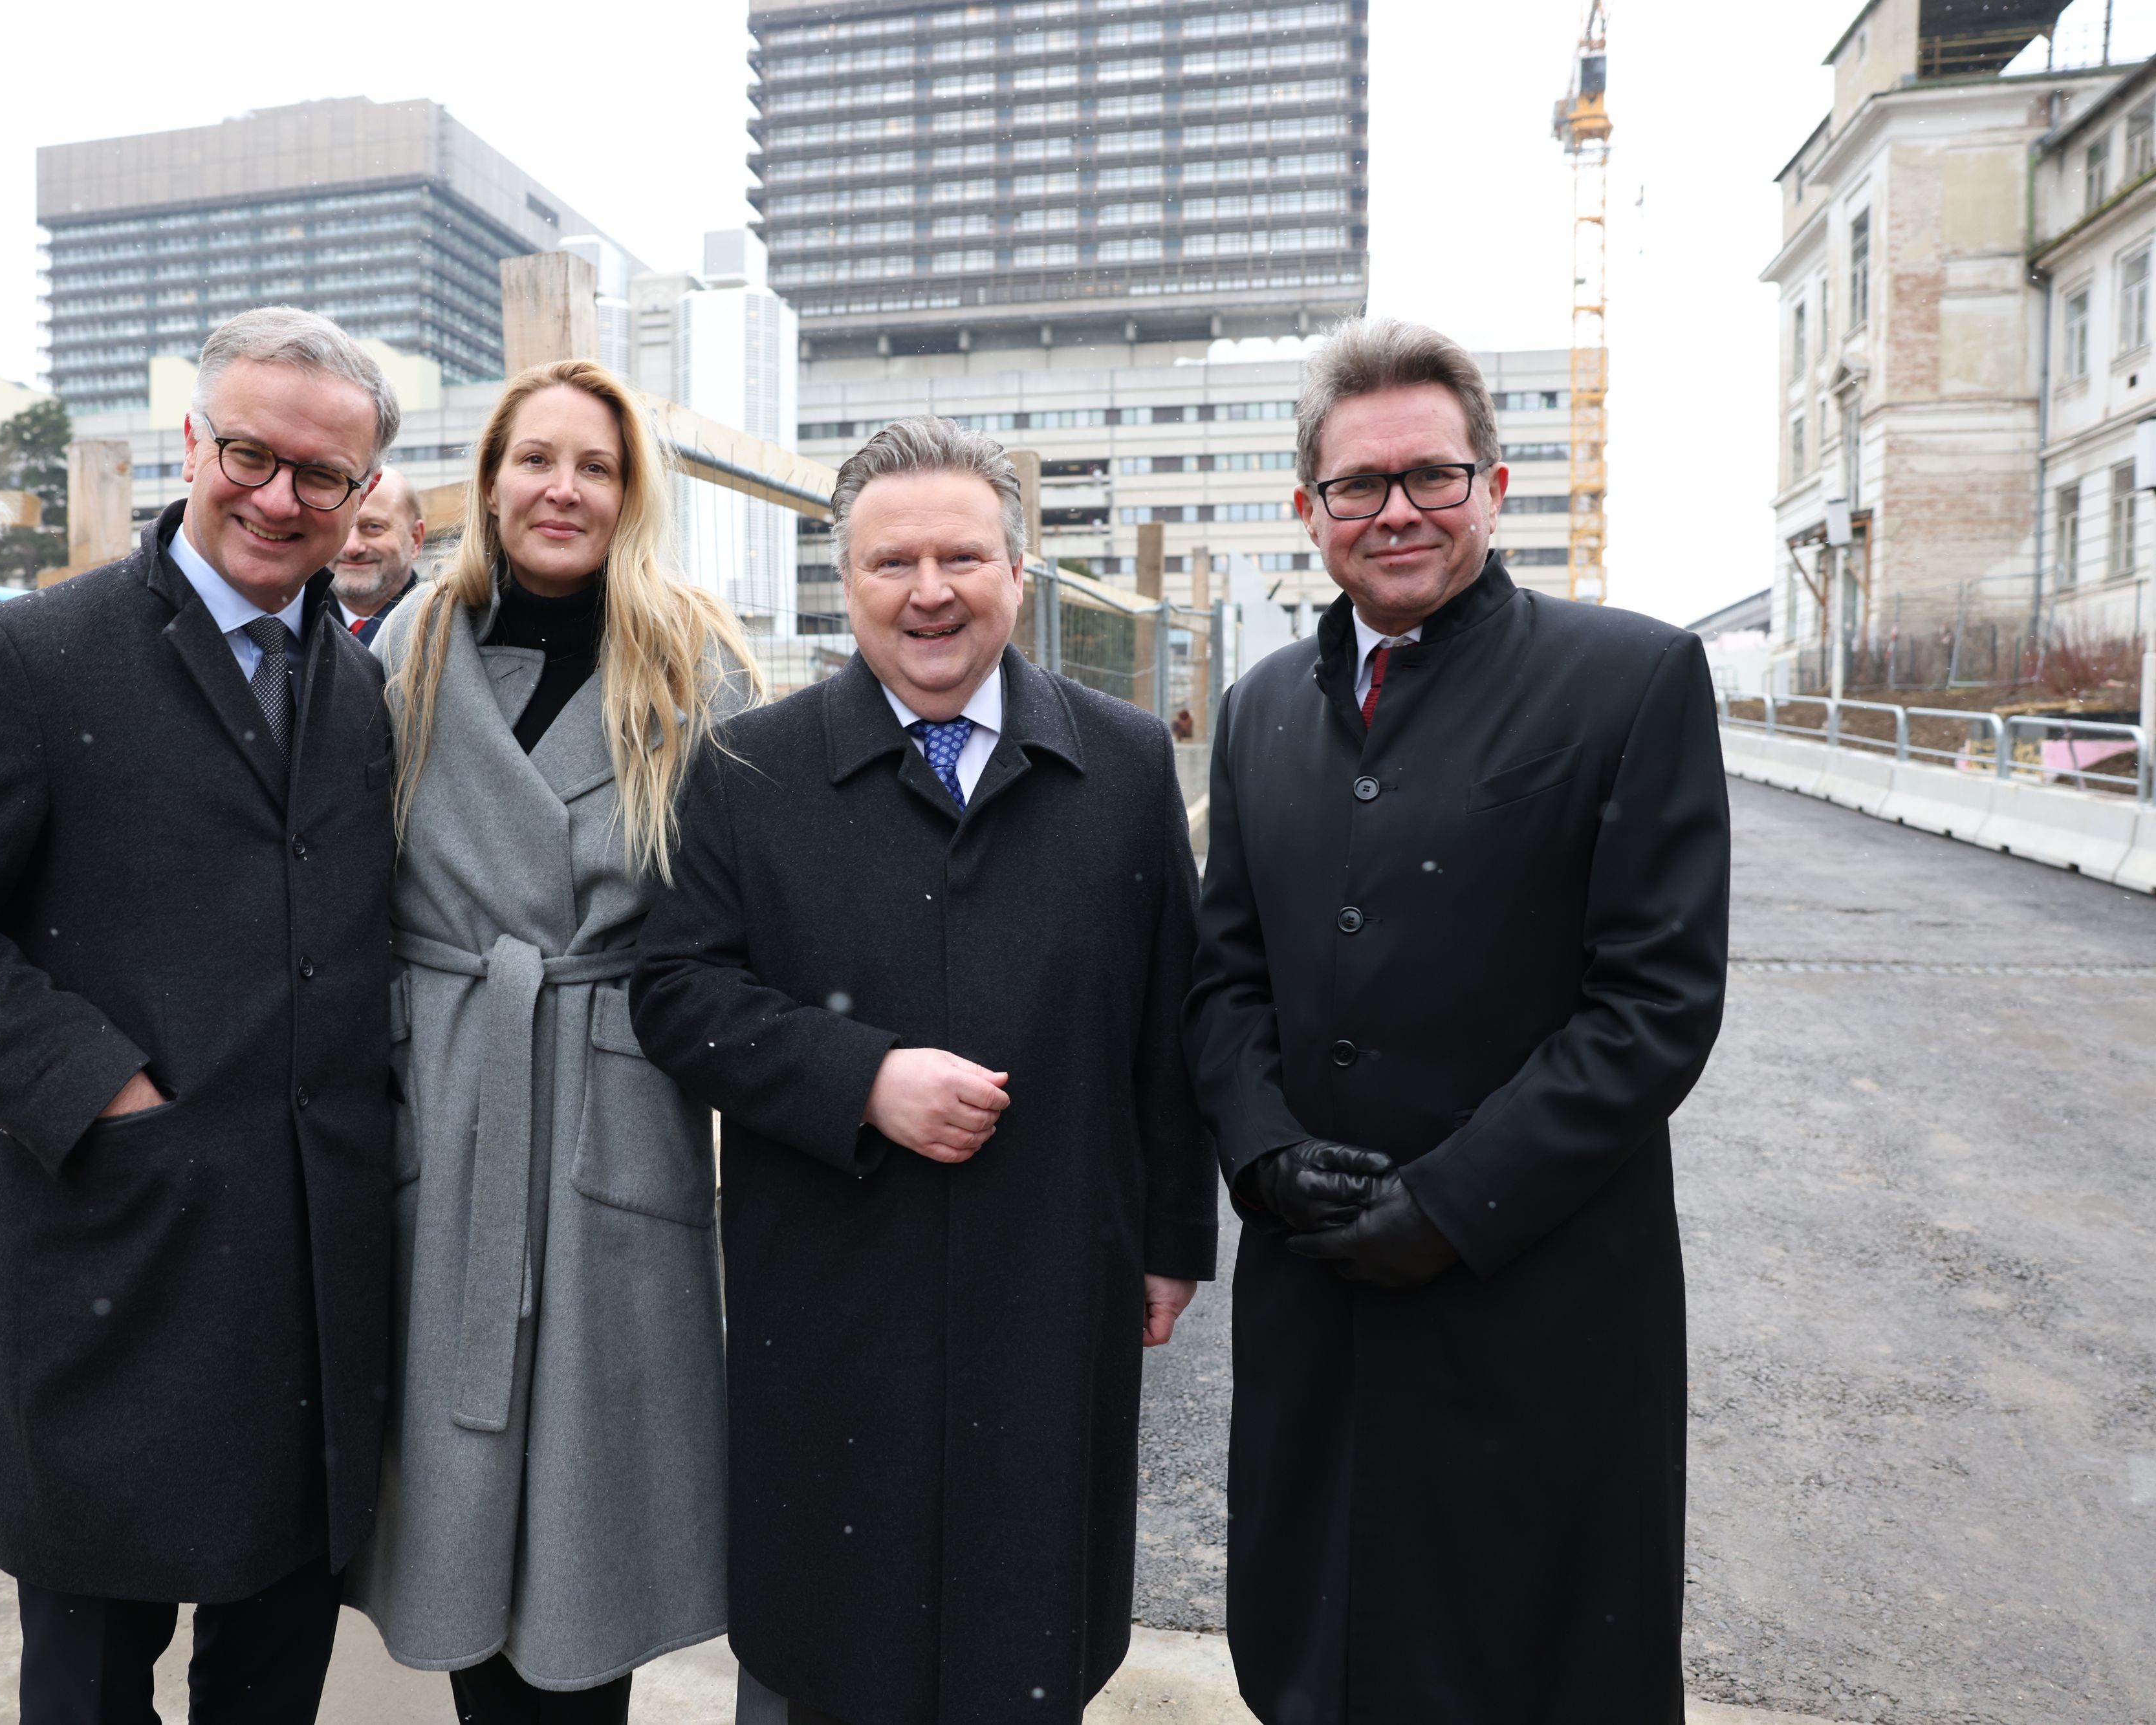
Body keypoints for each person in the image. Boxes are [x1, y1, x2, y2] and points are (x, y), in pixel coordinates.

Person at [0, 307, 402, 1725]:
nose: (280, 495)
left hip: (306, 1293)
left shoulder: (363, 689)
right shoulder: (39, 659)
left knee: (269, 1680)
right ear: (194, 445)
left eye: (320, 474)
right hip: (113, 1268)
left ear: (360, 495)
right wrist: (97, 1086)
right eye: (252, 454)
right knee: (88, 1682)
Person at [628, 416, 1217, 1725]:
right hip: (835, 1278)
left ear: (1018, 570)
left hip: (1055, 1268)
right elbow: (675, 991)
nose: (930, 590)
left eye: (962, 554)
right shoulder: (743, 770)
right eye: (891, 561)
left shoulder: (1119, 763)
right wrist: (861, 1075)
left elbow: (1172, 1018)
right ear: (845, 583)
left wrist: (1171, 1233)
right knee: (831, 1638)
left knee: (1029, 1627)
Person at [1184, 318, 1730, 1724]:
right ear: (1307, 512)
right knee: (1322, 1646)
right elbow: (1223, 972)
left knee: (1531, 1656)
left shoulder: (1625, 679)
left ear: (1492, 484)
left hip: (1534, 1286)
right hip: (1316, 1283)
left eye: (1429, 474)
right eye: (1356, 486)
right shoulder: (1257, 713)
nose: (1395, 511)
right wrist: (1256, 1149)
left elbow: (1653, 1000)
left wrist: (1452, 1201)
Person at [343, 358, 761, 1723]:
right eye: (535, 460)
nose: (561, 488)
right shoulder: (407, 641)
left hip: (609, 1105)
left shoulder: (695, 656)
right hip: (446, 1088)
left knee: (589, 1515)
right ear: (489, 480)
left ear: (630, 491)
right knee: (455, 1511)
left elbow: (758, 903)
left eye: (594, 465)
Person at [331, 464, 426, 644]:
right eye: (341, 527)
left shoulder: (447, 632)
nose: (352, 547)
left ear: (415, 539)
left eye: (373, 527)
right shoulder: (282, 629)